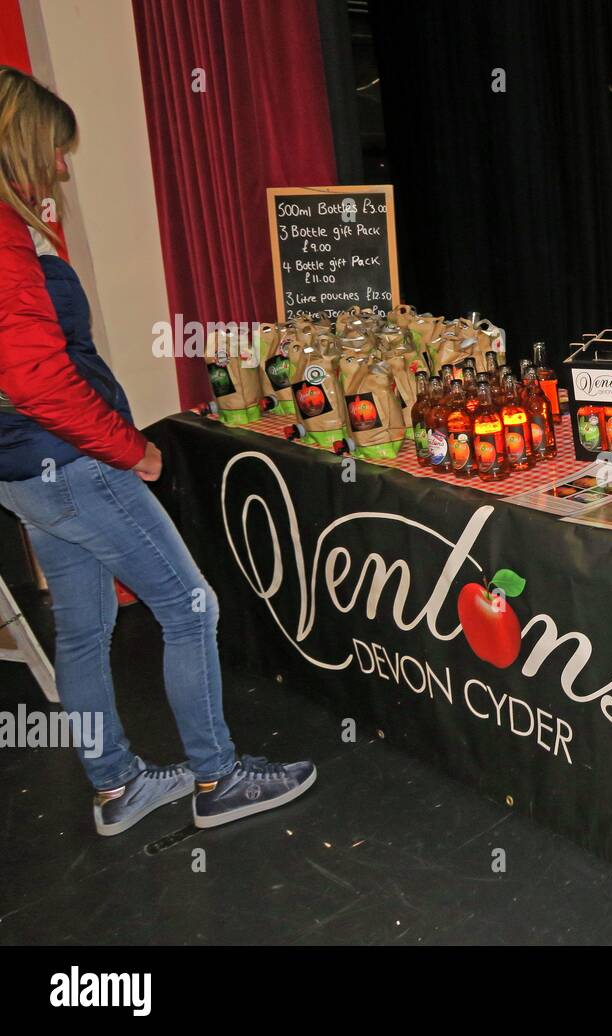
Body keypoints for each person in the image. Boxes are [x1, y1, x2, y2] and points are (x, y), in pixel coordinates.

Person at [0, 66, 315, 836]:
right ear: (20, 141)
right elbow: (35, 376)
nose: (63, 165)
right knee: (189, 605)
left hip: (25, 469)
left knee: (80, 629)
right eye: (56, 149)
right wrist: (128, 449)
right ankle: (219, 776)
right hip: (72, 460)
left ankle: (118, 788)